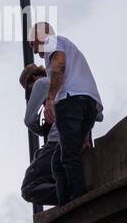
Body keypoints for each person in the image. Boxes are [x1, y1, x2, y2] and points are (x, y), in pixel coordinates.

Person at [29, 22, 103, 204]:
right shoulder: (69, 46)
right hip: (89, 104)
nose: (35, 51)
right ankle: (67, 202)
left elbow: (59, 64)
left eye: (33, 44)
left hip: (70, 101)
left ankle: (78, 202)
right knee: (58, 162)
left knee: (68, 156)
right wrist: (85, 133)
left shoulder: (52, 42)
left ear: (42, 34)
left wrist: (50, 99)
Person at [20, 63, 60, 207]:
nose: (30, 93)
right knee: (40, 157)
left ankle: (69, 193)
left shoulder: (42, 83)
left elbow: (29, 119)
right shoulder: (64, 81)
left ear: (35, 77)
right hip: (73, 138)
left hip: (57, 140)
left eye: (27, 87)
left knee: (29, 187)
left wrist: (41, 129)